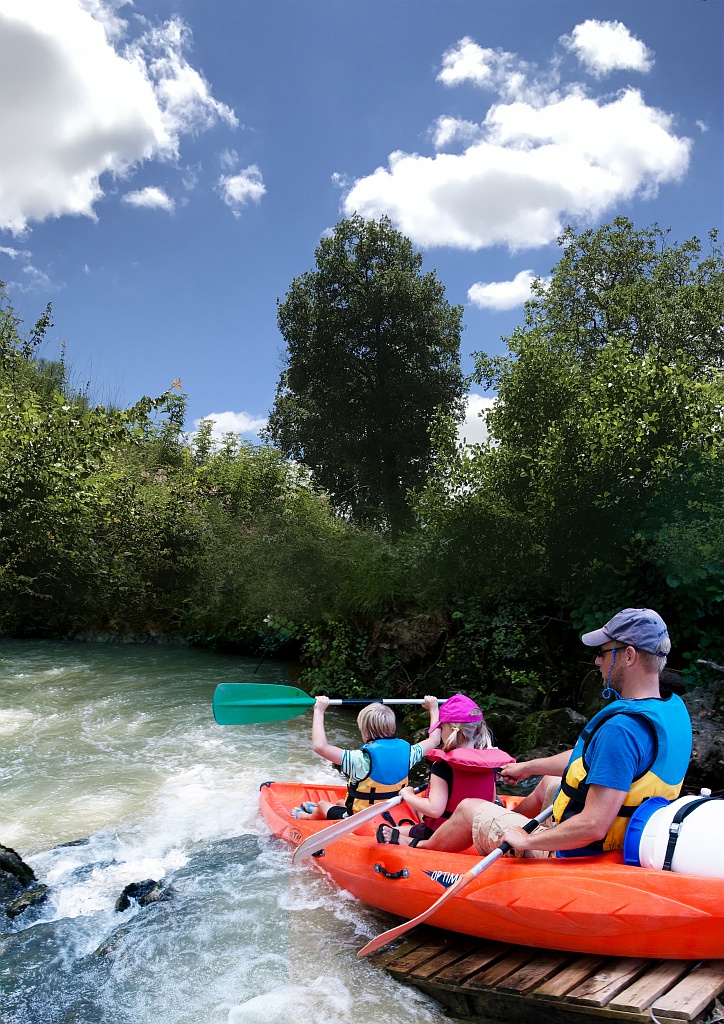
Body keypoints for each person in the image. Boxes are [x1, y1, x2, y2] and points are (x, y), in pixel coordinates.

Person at [382, 608, 692, 859]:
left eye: (603, 652)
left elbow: (594, 825)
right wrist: (528, 767)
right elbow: (596, 760)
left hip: (579, 849)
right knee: (547, 783)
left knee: (466, 809)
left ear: (629, 656)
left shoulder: (622, 729)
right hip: (626, 835)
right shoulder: (668, 711)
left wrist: (526, 841)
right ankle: (502, 821)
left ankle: (423, 847)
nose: (598, 661)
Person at [376, 693, 513, 846]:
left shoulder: (442, 765)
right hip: (475, 833)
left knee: (390, 829)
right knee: (420, 809)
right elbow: (491, 800)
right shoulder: (488, 764)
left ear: (450, 730)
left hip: (441, 832)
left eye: (441, 727)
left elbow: (435, 810)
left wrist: (408, 795)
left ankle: (411, 841)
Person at [290, 694, 441, 820]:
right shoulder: (409, 753)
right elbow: (434, 740)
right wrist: (434, 708)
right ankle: (326, 810)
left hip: (361, 819)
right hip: (391, 811)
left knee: (322, 805)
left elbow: (320, 746)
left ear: (365, 731)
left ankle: (308, 817)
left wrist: (319, 710)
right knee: (341, 802)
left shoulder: (360, 759)